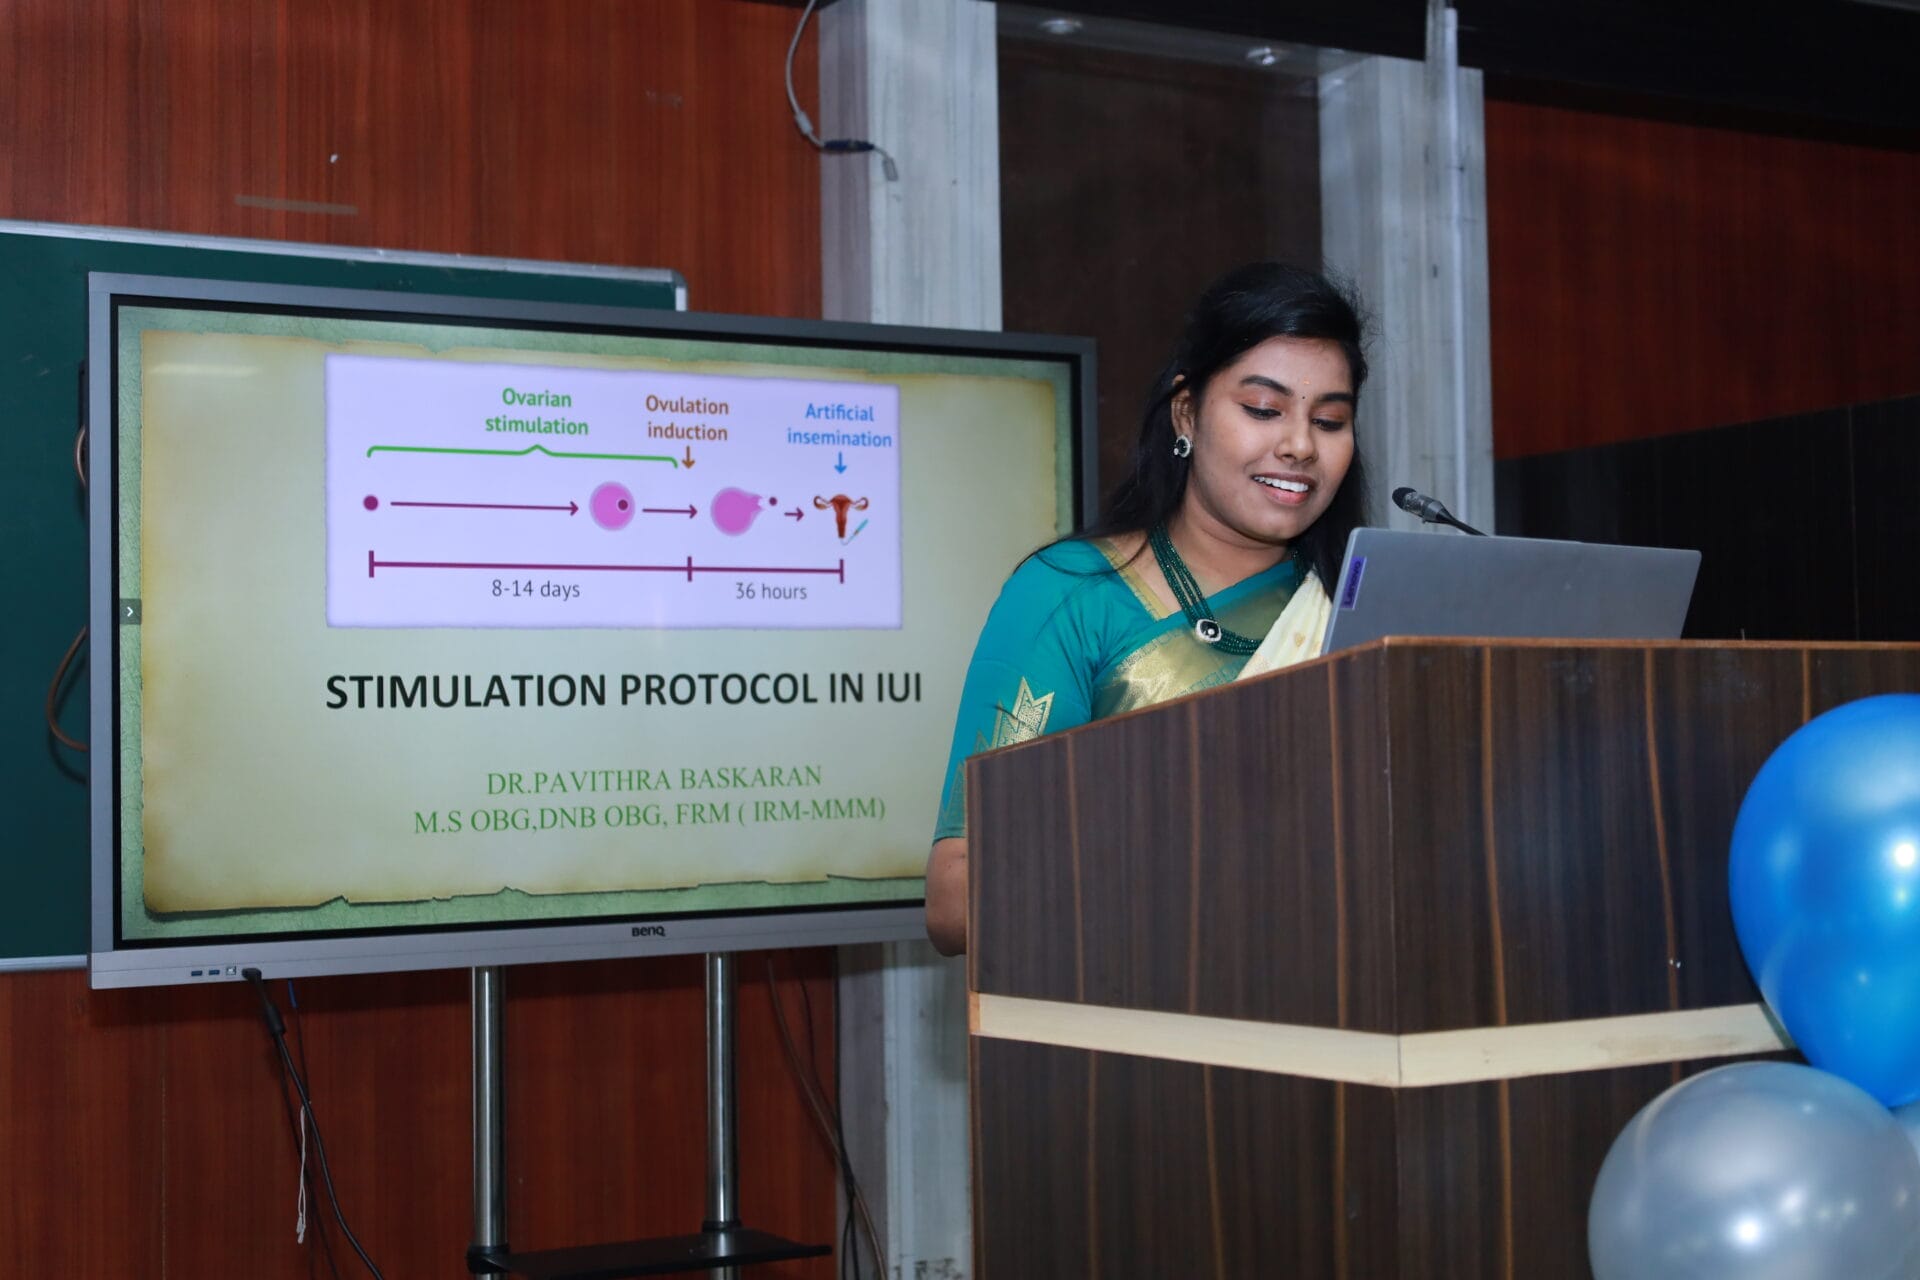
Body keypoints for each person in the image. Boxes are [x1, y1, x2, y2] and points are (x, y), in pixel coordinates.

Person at [924, 262, 1372, 955]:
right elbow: (955, 899)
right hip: (1131, 1003)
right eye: (1263, 409)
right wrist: (1175, 854)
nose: (1300, 445)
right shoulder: (1073, 595)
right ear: (1186, 412)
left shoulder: (1356, 612)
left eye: (1330, 420)